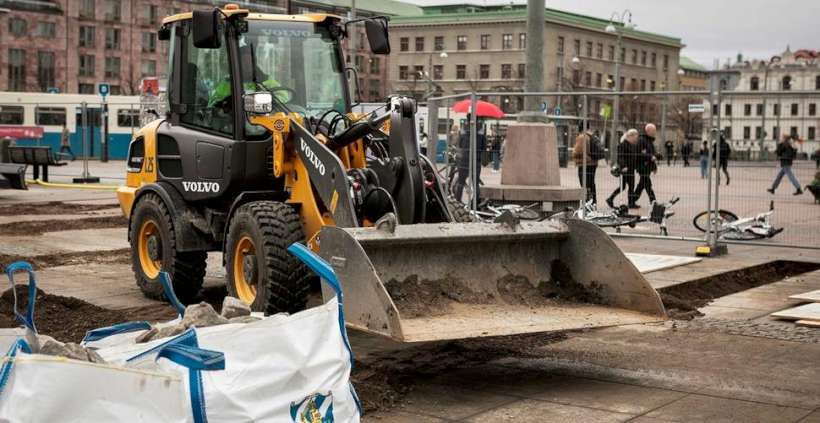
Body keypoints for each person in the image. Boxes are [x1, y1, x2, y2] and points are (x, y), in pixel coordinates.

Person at [453, 115, 486, 202]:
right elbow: (484, 147)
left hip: (464, 160)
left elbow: (459, 144)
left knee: (460, 183)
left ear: (467, 119)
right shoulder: (481, 131)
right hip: (476, 160)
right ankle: (475, 204)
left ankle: (458, 202)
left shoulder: (463, 130)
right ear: (477, 120)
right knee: (475, 184)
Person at [606, 129, 640, 209]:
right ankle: (610, 199)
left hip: (631, 169)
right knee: (623, 186)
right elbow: (620, 157)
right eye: (635, 137)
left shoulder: (632, 145)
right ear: (630, 136)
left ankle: (631, 203)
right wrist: (624, 166)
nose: (636, 139)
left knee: (631, 186)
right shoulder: (623, 145)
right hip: (625, 169)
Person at [572, 131, 604, 205]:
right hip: (593, 163)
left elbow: (578, 151)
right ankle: (593, 202)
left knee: (584, 184)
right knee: (591, 183)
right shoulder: (593, 136)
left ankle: (586, 202)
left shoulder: (582, 137)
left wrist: (573, 153)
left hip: (584, 163)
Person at [633, 123, 658, 206]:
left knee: (642, 184)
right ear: (648, 131)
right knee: (647, 184)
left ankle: (632, 200)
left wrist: (654, 166)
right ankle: (653, 201)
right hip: (642, 166)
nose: (654, 132)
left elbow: (652, 154)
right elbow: (639, 153)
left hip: (648, 166)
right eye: (653, 130)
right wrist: (650, 157)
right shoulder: (641, 140)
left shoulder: (650, 141)